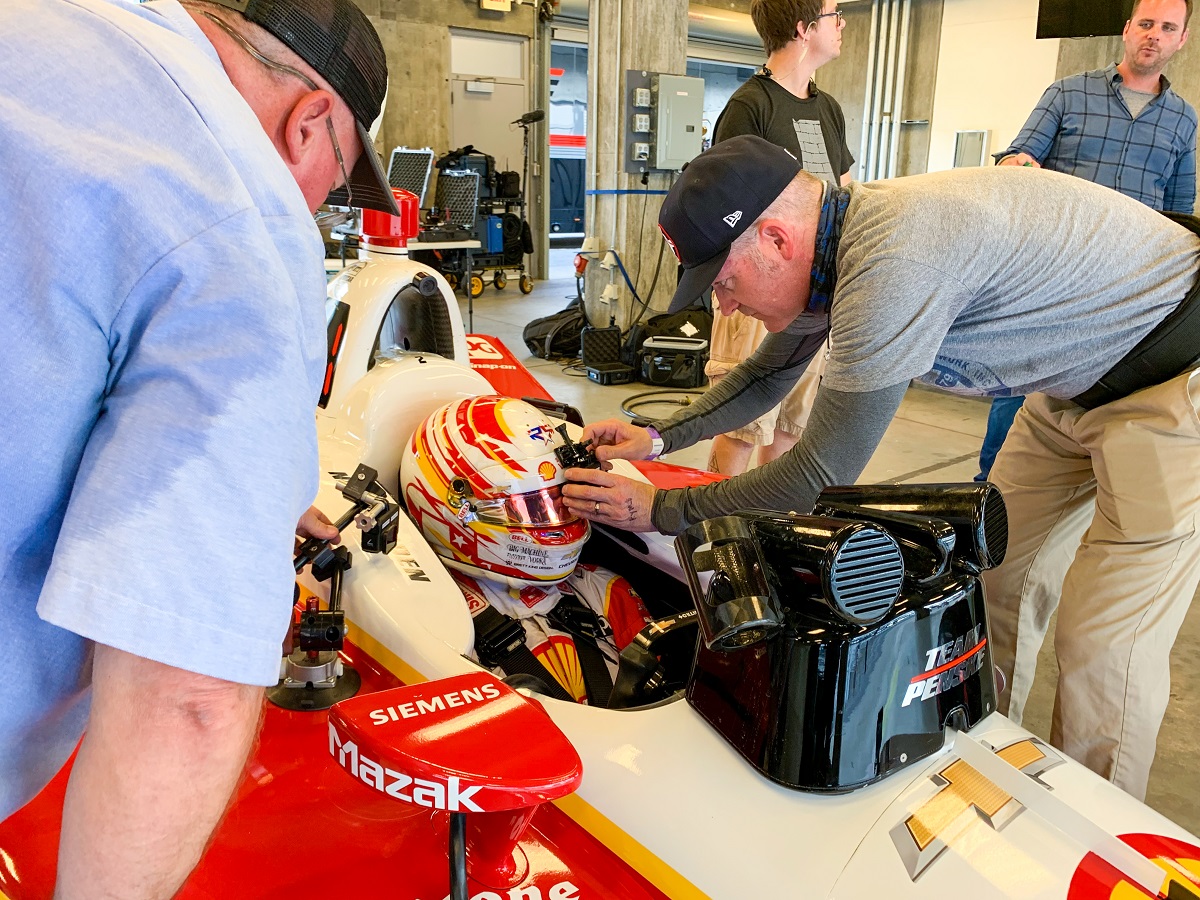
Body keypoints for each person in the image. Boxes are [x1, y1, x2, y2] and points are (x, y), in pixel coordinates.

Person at [560, 135, 1200, 800]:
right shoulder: (837, 244)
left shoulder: (893, 263)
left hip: (1172, 378)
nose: (722, 306)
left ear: (777, 241)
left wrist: (658, 511)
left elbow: (817, 474)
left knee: (1104, 645)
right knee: (994, 580)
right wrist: (657, 438)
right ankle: (990, 771)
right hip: (1073, 381)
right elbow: (769, 371)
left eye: (724, 282)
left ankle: (1095, 836)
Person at [0, 0, 399, 894]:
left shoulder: (38, 34)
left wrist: (249, 488)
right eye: (334, 184)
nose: (318, 207)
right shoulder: (240, 220)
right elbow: (189, 694)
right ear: (308, 126)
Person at [974, 0, 1195, 480]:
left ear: (1182, 40)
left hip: (1131, 288)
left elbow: (1181, 214)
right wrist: (1015, 165)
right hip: (1055, 275)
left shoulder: (1184, 120)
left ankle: (1080, 494)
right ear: (1127, 29)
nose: (1153, 34)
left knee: (1115, 400)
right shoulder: (1068, 93)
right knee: (1021, 382)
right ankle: (988, 494)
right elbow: (1019, 157)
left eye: (1167, 27)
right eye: (1146, 23)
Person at [400, 396, 652, 705]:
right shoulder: (437, 625)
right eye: (532, 508)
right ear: (456, 511)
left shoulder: (608, 592)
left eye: (561, 499)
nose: (558, 524)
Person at [705, 0, 853, 476]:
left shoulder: (827, 108)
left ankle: (768, 531)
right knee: (741, 427)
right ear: (803, 28)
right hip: (759, 287)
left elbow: (844, 193)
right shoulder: (751, 107)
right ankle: (711, 535)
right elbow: (725, 208)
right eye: (835, 13)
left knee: (792, 425)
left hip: (815, 293)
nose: (843, 23)